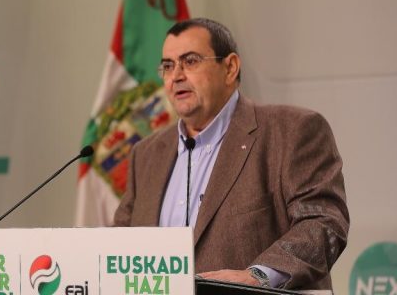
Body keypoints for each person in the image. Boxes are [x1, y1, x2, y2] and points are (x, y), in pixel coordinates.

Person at [113, 18, 349, 290]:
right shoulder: (146, 154)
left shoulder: (291, 131)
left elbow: (324, 223)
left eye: (190, 61)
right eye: (168, 66)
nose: (176, 76)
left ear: (230, 67)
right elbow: (118, 244)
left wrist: (258, 277)